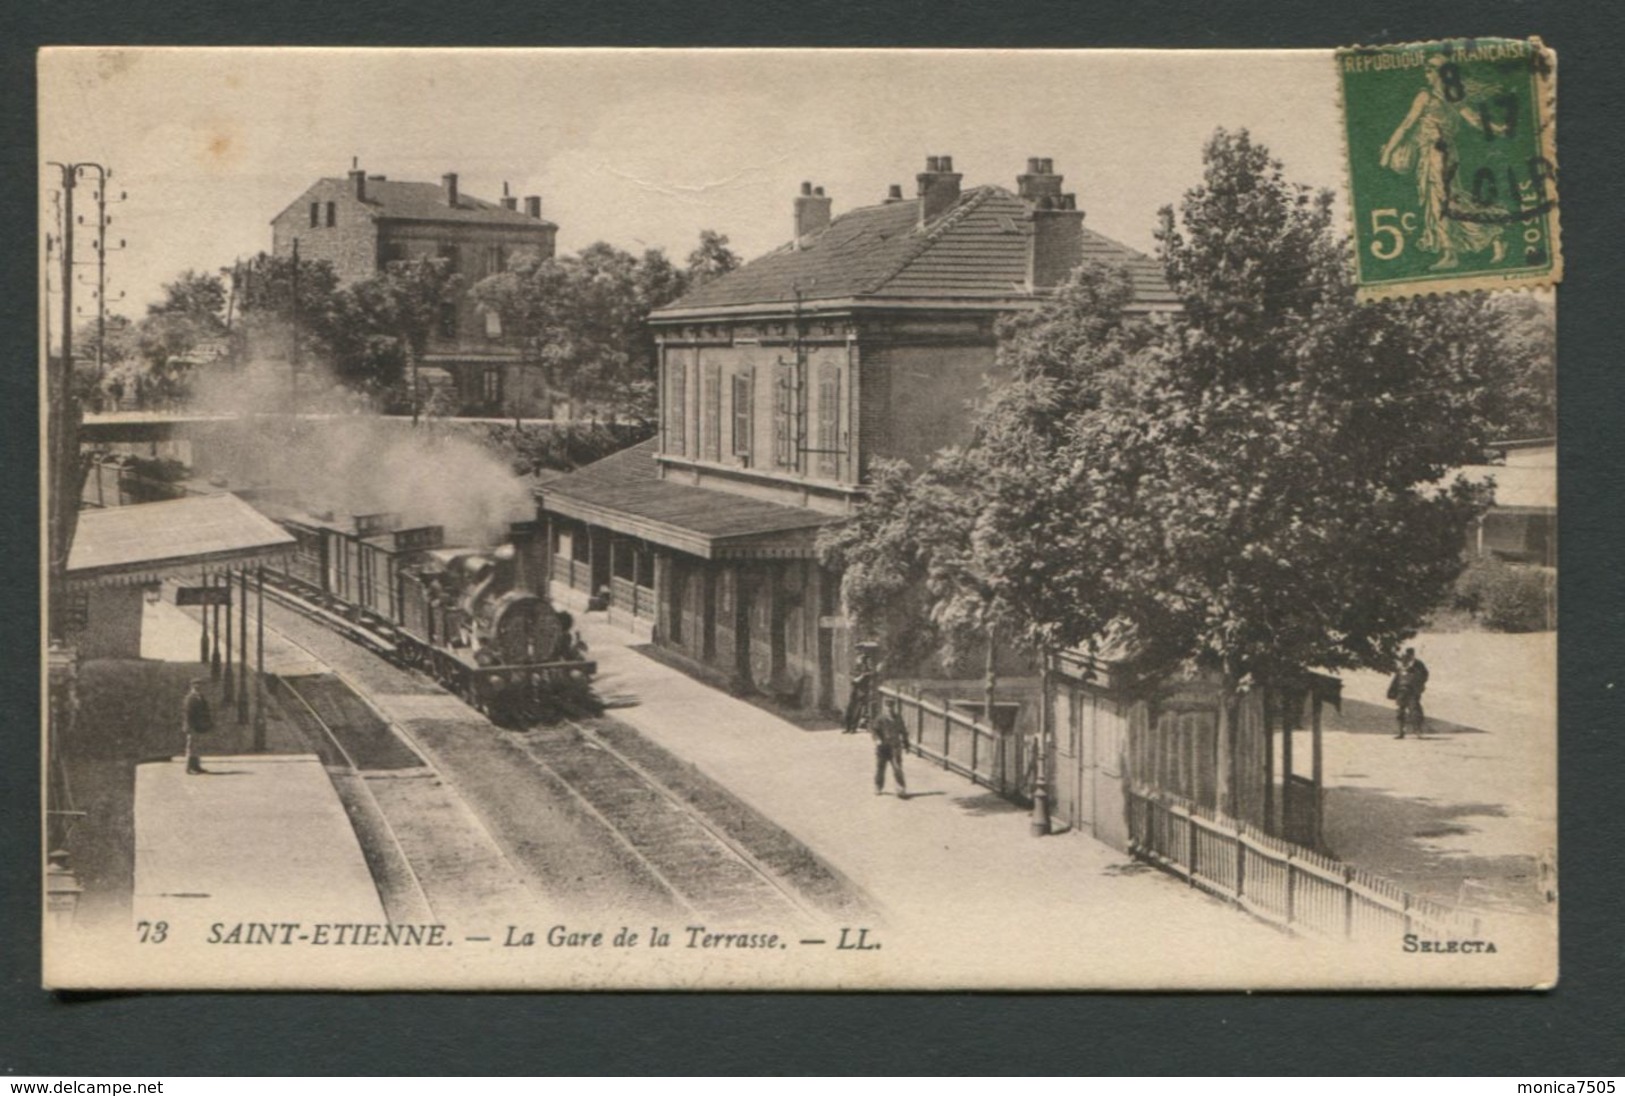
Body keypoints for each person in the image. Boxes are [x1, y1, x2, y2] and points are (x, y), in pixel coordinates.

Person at [1379, 54, 1508, 272]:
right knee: (1448, 200)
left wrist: (1388, 152)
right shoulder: (1453, 97)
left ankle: (1452, 253)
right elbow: (1475, 120)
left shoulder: (1426, 97)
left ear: (1440, 73)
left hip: (1436, 152)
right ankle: (1492, 238)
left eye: (1430, 70)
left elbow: (1406, 125)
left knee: (1440, 201)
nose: (1426, 74)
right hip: (1443, 153)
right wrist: (1497, 129)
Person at [1387, 647, 1431, 739]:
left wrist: (1419, 685)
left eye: (1408, 655)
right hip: (1401, 691)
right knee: (1400, 712)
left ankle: (1418, 732)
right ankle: (1401, 732)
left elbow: (1425, 675)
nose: (1405, 657)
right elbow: (1397, 678)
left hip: (1412, 691)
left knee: (1415, 711)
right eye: (1404, 655)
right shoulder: (1401, 665)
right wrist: (1392, 691)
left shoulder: (1418, 664)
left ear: (1412, 654)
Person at [871, 696, 909, 799]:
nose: (889, 709)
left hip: (895, 746)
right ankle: (878, 786)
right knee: (880, 767)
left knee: (897, 767)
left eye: (891, 707)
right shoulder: (880, 719)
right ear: (884, 707)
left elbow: (903, 731)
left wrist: (906, 743)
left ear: (894, 707)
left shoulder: (898, 718)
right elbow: (874, 731)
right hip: (882, 747)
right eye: (887, 707)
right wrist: (877, 740)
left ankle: (900, 788)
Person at [182, 678, 213, 774]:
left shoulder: (201, 697)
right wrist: (190, 726)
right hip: (192, 726)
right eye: (196, 685)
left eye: (200, 685)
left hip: (199, 726)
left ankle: (196, 766)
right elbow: (188, 713)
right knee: (191, 746)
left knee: (197, 747)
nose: (198, 687)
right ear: (192, 686)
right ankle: (188, 768)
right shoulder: (190, 698)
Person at [844, 648, 877, 734]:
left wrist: (862, 676)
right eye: (857, 651)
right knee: (850, 707)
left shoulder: (867, 660)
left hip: (863, 687)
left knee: (858, 708)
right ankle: (847, 727)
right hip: (855, 686)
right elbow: (851, 672)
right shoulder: (856, 662)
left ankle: (853, 728)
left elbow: (872, 672)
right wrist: (854, 678)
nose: (858, 653)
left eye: (860, 651)